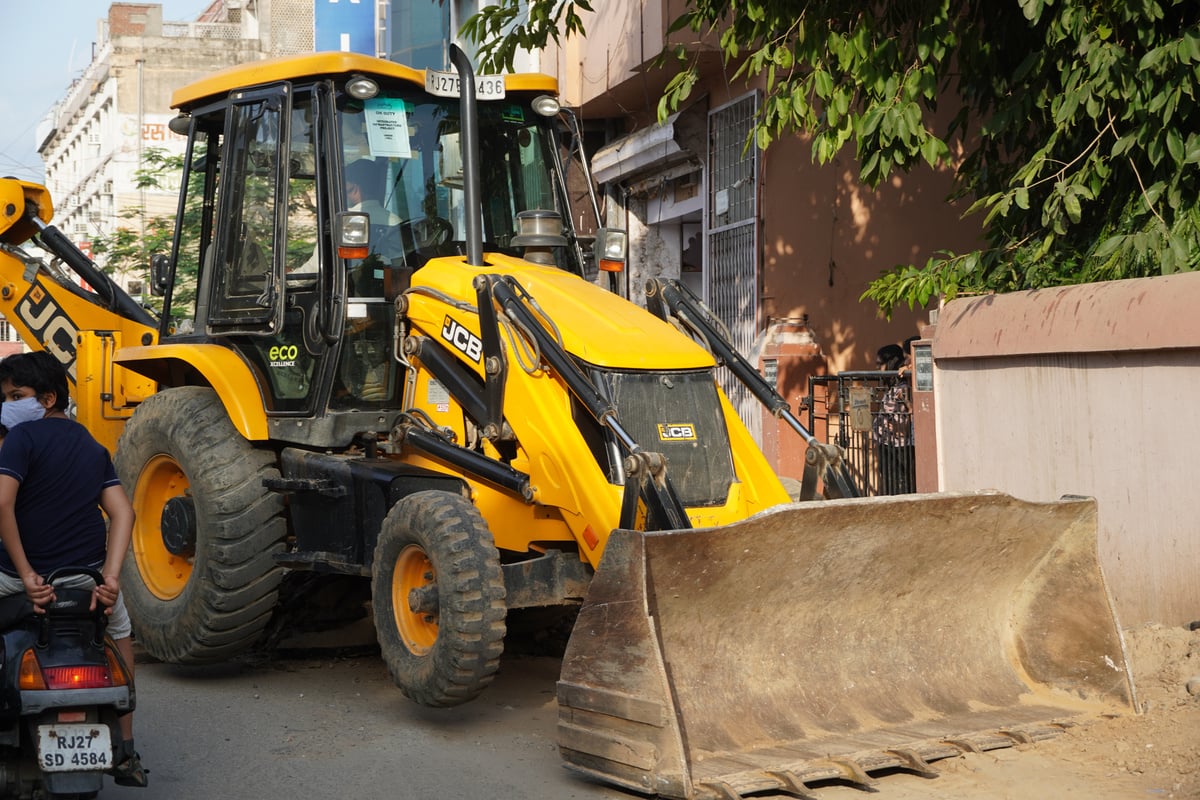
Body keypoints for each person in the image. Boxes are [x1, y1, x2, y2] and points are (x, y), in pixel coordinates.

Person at [0, 351, 148, 788]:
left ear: (47, 399)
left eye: (16, 395)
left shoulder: (22, 439)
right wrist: (112, 579)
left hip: (19, 580)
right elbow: (123, 513)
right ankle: (126, 748)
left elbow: (2, 503)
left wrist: (27, 575)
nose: (8, 404)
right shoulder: (92, 445)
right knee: (119, 632)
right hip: (85, 582)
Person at [872, 341, 915, 494]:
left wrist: (901, 426)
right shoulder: (894, 387)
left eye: (880, 364)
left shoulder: (902, 389)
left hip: (899, 446)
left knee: (899, 484)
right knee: (890, 483)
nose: (878, 368)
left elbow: (911, 410)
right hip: (887, 442)